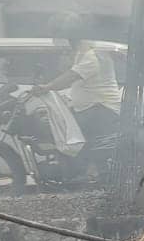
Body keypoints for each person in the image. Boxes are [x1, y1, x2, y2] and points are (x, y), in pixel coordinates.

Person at [33, 26, 122, 171]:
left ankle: (77, 169)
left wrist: (47, 87)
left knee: (68, 132)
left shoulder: (92, 56)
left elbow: (70, 77)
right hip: (93, 108)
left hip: (101, 109)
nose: (70, 46)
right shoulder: (86, 54)